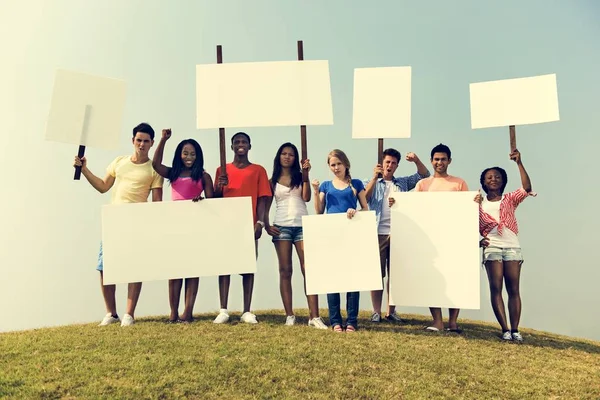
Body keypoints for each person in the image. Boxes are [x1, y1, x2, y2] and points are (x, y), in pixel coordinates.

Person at [73, 122, 164, 327]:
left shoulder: (154, 169)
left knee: (135, 268)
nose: (142, 144)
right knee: (105, 267)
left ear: (151, 143)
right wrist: (85, 169)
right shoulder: (119, 162)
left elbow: (157, 202)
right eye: (138, 140)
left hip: (137, 223)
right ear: (133, 141)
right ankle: (111, 313)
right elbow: (103, 187)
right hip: (114, 220)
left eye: (146, 141)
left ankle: (128, 314)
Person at [152, 128, 214, 323]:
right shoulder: (173, 173)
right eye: (186, 153)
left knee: (192, 269)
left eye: (193, 154)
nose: (189, 157)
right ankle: (173, 312)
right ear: (180, 154)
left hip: (195, 227)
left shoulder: (203, 176)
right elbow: (155, 164)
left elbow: (212, 200)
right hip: (175, 227)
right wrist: (163, 140)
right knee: (175, 270)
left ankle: (187, 312)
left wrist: (202, 198)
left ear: (198, 156)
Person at [264, 143, 327, 329]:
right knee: (285, 270)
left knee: (309, 269)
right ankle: (289, 314)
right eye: (284, 153)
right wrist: (266, 225)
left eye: (291, 154)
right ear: (279, 156)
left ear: (295, 158)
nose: (287, 157)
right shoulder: (272, 179)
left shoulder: (301, 177)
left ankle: (314, 316)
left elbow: (306, 197)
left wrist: (306, 175)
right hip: (281, 226)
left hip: (302, 225)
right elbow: (266, 205)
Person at [364, 148, 430, 323]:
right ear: (381, 163)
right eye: (387, 162)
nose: (390, 165)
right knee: (377, 274)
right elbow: (364, 197)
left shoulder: (402, 183)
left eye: (393, 163)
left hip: (398, 232)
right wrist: (374, 177)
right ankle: (376, 311)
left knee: (395, 274)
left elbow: (424, 176)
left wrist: (416, 160)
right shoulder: (370, 181)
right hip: (377, 232)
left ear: (397, 166)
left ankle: (390, 311)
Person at [213, 132, 272, 324]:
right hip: (226, 225)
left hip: (249, 223)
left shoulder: (258, 170)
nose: (240, 145)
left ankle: (247, 310)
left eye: (244, 142)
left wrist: (260, 222)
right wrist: (218, 186)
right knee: (224, 266)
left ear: (249, 146)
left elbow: (263, 198)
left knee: (247, 267)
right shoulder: (221, 170)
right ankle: (223, 310)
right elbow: (215, 198)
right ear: (231, 147)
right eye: (237, 142)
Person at [476, 149, 534, 342]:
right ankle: (505, 329)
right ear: (483, 182)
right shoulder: (477, 203)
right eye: (489, 177)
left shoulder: (509, 199)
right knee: (495, 288)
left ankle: (515, 329)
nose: (493, 179)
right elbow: (466, 225)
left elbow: (526, 188)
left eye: (497, 176)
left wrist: (519, 163)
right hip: (492, 247)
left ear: (503, 180)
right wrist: (477, 241)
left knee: (514, 289)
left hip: (511, 246)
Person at [312, 149, 369, 333]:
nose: (336, 168)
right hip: (331, 236)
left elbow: (366, 209)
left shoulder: (357, 184)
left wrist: (356, 212)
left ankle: (352, 320)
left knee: (352, 278)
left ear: (346, 164)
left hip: (351, 235)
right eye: (332, 165)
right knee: (333, 278)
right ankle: (335, 320)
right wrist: (315, 191)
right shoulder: (326, 186)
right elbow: (319, 211)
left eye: (338, 164)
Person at [414, 143, 468, 333]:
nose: (440, 162)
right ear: (431, 161)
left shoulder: (459, 183)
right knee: (433, 278)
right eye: (436, 159)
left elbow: (467, 211)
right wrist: (395, 203)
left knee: (455, 277)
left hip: (453, 237)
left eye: (443, 159)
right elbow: (413, 209)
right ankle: (437, 320)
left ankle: (453, 322)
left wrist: (474, 201)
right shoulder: (423, 184)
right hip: (431, 239)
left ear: (449, 161)